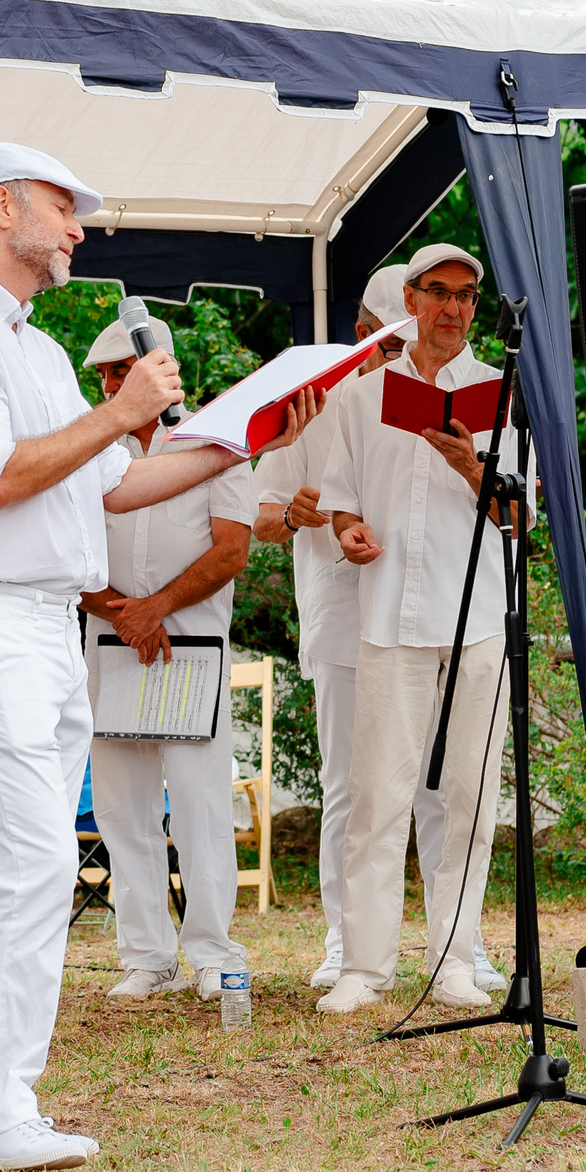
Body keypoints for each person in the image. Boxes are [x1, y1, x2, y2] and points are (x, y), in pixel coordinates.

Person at [0, 141, 315, 1172]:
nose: (78, 227)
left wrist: (249, 434)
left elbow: (114, 483)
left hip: (39, 620)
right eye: (63, 207)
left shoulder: (32, 347)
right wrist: (120, 411)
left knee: (4, 863)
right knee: (30, 854)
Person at [315, 244, 521, 1016]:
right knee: (378, 794)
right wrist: (349, 531)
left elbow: (516, 517)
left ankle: (455, 959)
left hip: (474, 621)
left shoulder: (499, 392)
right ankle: (365, 966)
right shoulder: (361, 398)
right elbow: (339, 499)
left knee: (470, 793)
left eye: (468, 296)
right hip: (389, 618)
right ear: (410, 298)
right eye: (440, 293)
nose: (455, 309)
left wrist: (473, 467)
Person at [78, 310, 257, 1003]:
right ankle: (147, 955)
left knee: (199, 805)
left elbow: (232, 549)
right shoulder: (93, 451)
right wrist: (127, 612)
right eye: (105, 377)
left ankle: (213, 950)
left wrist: (158, 608)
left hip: (193, 651)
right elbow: (66, 552)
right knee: (122, 808)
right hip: (113, 645)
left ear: (158, 370)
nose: (112, 386)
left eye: (122, 372)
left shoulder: (217, 441)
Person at [253, 268, 408, 989]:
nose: (399, 360)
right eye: (388, 345)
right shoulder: (314, 406)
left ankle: (455, 948)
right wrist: (298, 514)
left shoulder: (430, 395)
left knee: (431, 786)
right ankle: (346, 942)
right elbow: (259, 514)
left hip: (420, 611)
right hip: (345, 614)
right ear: (362, 334)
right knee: (350, 779)